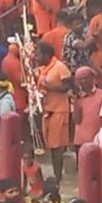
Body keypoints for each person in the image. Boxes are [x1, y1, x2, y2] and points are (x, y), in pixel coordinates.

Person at [36, 41, 72, 181]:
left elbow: (68, 86)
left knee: (57, 146)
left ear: (46, 54)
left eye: (38, 55)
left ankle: (58, 177)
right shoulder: (43, 68)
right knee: (50, 144)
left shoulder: (60, 67)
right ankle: (55, 174)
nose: (36, 57)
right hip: (47, 109)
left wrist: (49, 86)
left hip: (59, 110)